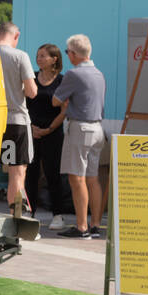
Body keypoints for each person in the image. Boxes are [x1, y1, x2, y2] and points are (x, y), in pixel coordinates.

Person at [53, 34, 107, 238]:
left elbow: (56, 101)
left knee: (77, 179)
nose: (67, 56)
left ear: (74, 54)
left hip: (80, 128)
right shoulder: (99, 73)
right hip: (98, 129)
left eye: (67, 53)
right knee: (93, 179)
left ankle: (81, 226)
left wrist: (66, 103)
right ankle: (95, 225)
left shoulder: (73, 74)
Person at [0, 23, 38, 215]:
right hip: (17, 121)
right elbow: (32, 92)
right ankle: (17, 217)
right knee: (17, 172)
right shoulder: (20, 56)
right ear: (16, 35)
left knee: (2, 169)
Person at [25, 43, 69, 229]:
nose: (39, 58)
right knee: (30, 174)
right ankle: (29, 211)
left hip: (53, 133)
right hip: (31, 131)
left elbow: (64, 109)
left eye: (43, 56)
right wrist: (31, 127)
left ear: (54, 59)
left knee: (52, 174)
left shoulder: (62, 80)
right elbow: (23, 103)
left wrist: (49, 129)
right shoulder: (31, 78)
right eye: (38, 55)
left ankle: (57, 215)